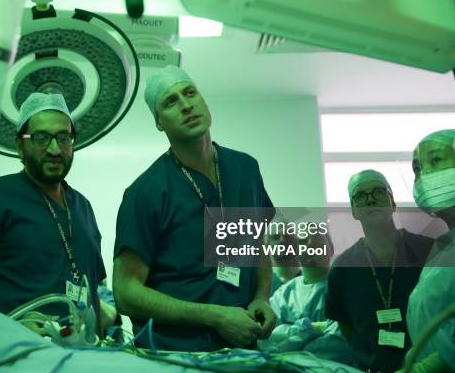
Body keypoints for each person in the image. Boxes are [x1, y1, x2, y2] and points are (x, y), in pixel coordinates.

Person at [112, 65, 276, 351]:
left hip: (241, 350)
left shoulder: (245, 169)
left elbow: (258, 245)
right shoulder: (147, 192)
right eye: (171, 102)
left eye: (190, 93)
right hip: (173, 355)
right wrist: (213, 316)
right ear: (159, 122)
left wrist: (262, 297)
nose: (186, 105)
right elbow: (126, 293)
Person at [0, 92, 106, 334]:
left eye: (64, 137)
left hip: (80, 352)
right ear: (20, 145)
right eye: (41, 137)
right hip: (13, 354)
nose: (54, 149)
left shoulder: (83, 207)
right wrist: (9, 333)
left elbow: (92, 286)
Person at [325, 170, 434, 372]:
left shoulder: (428, 251)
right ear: (354, 211)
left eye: (378, 191)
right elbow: (345, 325)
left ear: (393, 203)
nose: (370, 199)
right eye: (360, 195)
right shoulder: (343, 268)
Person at [398, 129, 455, 372]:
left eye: (435, 160)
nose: (423, 175)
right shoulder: (442, 246)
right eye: (417, 169)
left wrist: (428, 367)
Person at [261, 231, 354, 364]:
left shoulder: (348, 288)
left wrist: (293, 340)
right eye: (303, 240)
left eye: (317, 238)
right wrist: (314, 328)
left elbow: (340, 342)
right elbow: (269, 340)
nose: (310, 244)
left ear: (331, 248)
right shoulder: (282, 295)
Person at [265, 230, 301, 295]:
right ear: (267, 246)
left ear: (296, 244)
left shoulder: (311, 279)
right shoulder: (261, 285)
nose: (282, 240)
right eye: (275, 237)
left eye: (288, 236)